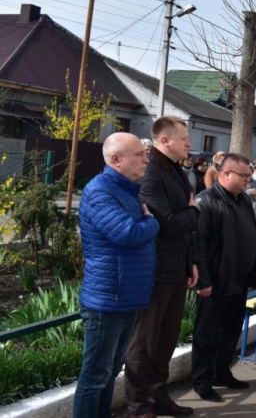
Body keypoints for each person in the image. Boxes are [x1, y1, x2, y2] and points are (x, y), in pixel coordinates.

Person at [72, 133, 160, 418]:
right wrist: (150, 221)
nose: (146, 159)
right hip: (106, 300)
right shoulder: (100, 191)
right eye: (139, 154)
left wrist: (144, 221)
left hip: (122, 297)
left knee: (109, 374)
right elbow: (128, 233)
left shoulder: (127, 189)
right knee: (95, 376)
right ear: (116, 160)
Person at [125, 117, 198, 418]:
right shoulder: (151, 173)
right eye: (183, 138)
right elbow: (165, 224)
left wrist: (190, 262)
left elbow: (182, 226)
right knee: (144, 343)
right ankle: (138, 406)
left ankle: (158, 397)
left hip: (177, 269)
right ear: (164, 140)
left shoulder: (177, 171)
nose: (189, 143)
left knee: (167, 340)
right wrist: (193, 211)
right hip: (154, 273)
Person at [192, 153, 256, 402]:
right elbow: (198, 246)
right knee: (207, 334)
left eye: (249, 176)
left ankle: (222, 372)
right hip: (216, 281)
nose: (247, 181)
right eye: (244, 176)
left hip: (239, 278)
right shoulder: (206, 201)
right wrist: (204, 282)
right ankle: (202, 380)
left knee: (231, 331)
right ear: (226, 174)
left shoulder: (241, 199)